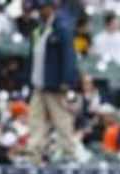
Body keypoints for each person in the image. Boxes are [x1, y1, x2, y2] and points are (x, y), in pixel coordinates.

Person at [28, 0, 86, 164]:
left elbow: (69, 56)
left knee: (61, 120)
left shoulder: (62, 27)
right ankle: (35, 154)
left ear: (51, 8)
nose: (40, 11)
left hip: (55, 85)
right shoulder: (40, 29)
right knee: (35, 120)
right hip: (39, 84)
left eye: (43, 8)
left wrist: (66, 81)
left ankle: (69, 153)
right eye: (39, 8)